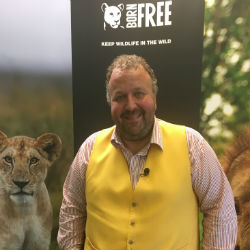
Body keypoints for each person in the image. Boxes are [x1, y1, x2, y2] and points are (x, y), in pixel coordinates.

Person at [57, 54, 237, 250]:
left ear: (154, 98)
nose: (131, 105)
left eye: (139, 94)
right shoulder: (89, 149)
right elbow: (71, 210)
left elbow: (221, 209)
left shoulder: (192, 145)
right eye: (119, 97)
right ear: (110, 103)